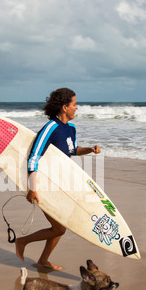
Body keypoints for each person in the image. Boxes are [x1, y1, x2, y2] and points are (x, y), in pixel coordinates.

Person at [15, 88, 101, 270]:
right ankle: (22, 242)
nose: (77, 108)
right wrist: (32, 187)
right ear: (64, 107)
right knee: (59, 228)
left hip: (60, 185)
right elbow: (34, 156)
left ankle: (43, 260)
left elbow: (73, 150)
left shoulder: (70, 128)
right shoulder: (50, 128)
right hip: (44, 184)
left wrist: (90, 150)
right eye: (74, 104)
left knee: (60, 225)